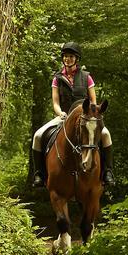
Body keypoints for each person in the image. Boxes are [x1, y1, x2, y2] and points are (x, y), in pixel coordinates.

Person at [30, 42, 113, 188]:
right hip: (64, 116)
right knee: (38, 135)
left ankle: (107, 172)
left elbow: (93, 101)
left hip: (86, 117)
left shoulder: (87, 77)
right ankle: (39, 174)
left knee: (106, 135)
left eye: (71, 56)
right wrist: (60, 112)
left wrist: (91, 114)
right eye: (66, 56)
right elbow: (55, 102)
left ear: (77, 59)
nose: (68, 59)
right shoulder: (57, 78)